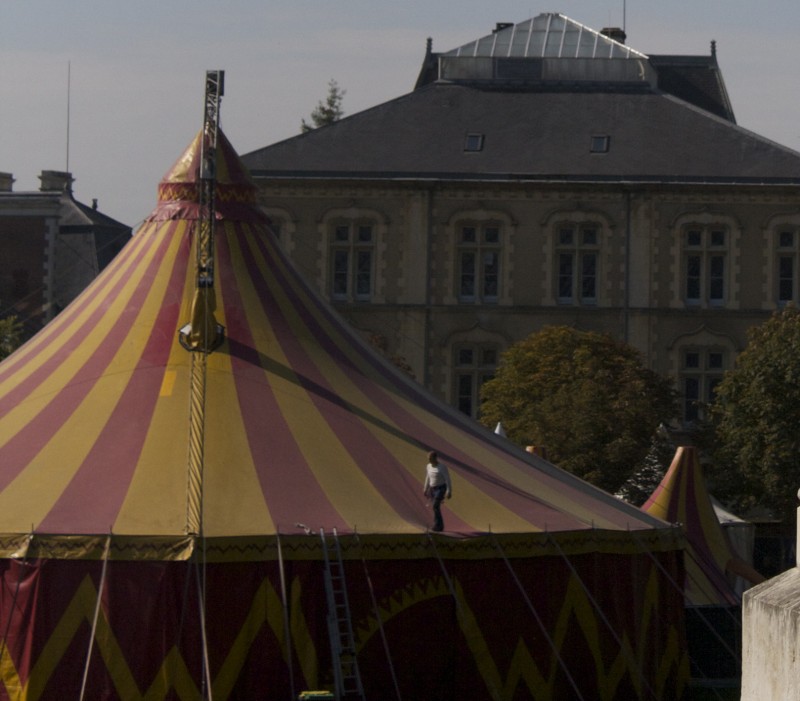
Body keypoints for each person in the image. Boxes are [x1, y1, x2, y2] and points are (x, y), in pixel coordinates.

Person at [423, 450, 452, 532]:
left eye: (431, 459)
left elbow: (447, 479)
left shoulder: (442, 467)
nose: (429, 461)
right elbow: (427, 477)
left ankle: (437, 525)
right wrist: (425, 488)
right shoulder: (428, 466)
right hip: (433, 488)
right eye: (428, 459)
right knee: (436, 507)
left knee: (435, 506)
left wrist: (449, 491)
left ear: (435, 458)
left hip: (441, 488)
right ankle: (440, 525)